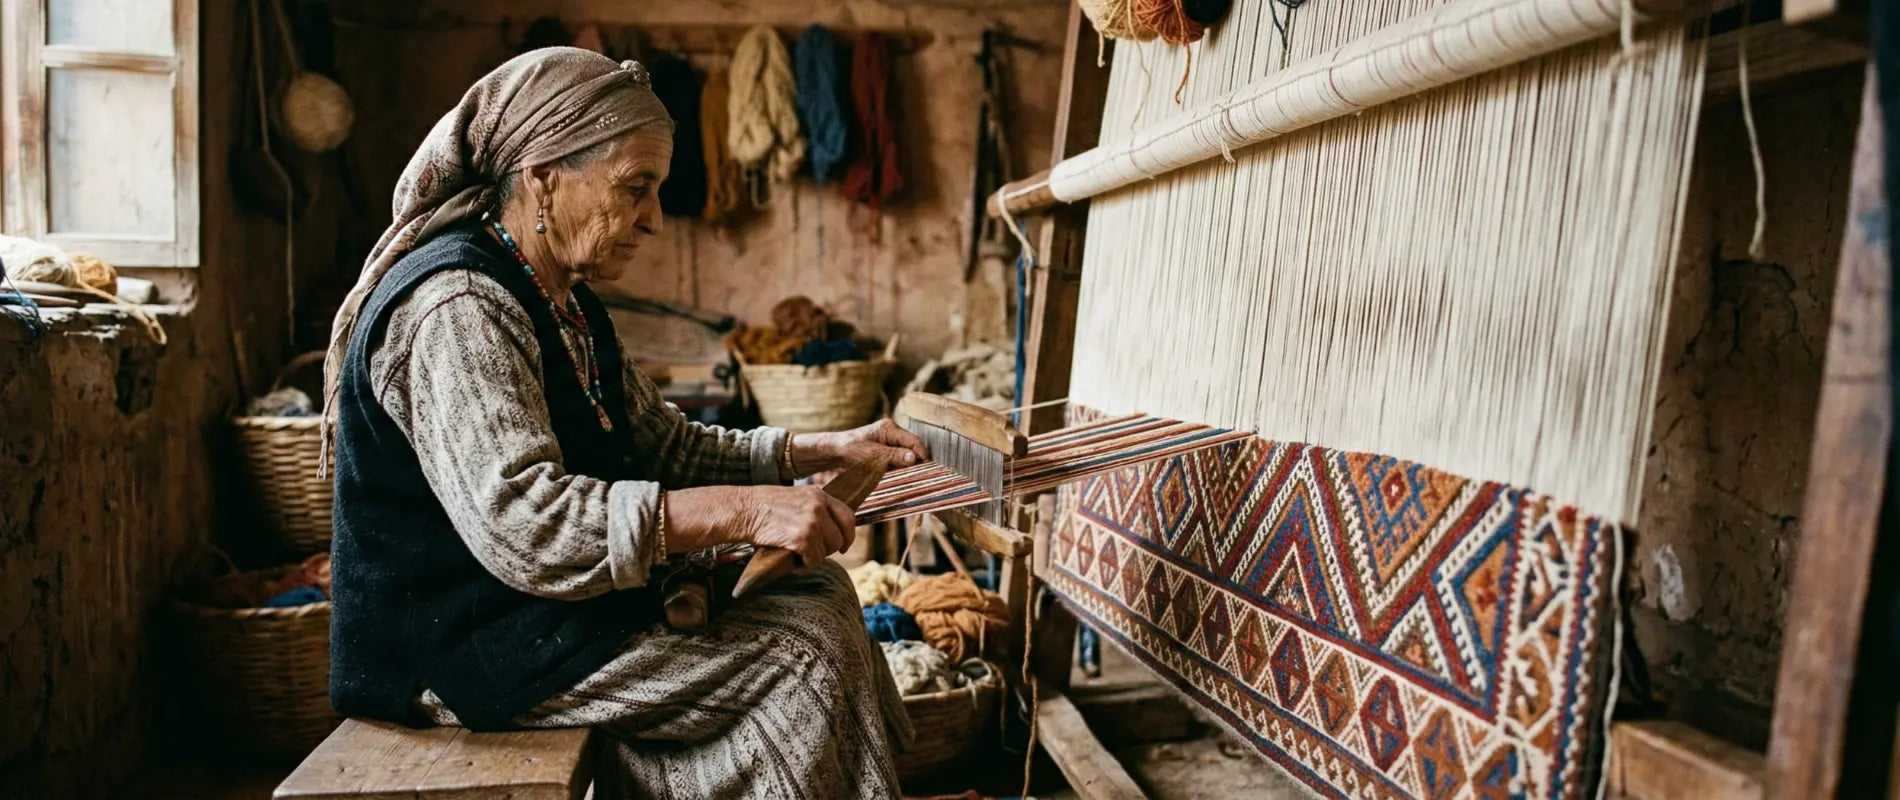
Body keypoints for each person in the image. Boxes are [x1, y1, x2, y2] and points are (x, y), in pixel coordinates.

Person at [318, 48, 924, 798]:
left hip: (536, 617)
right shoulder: (458, 309)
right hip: (461, 647)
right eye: (637, 188)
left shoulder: (561, 297)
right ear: (543, 178)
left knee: (823, 595)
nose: (655, 219)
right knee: (800, 657)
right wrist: (748, 508)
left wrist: (822, 448)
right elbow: (528, 524)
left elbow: (662, 443)